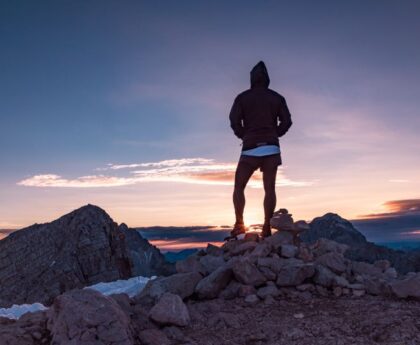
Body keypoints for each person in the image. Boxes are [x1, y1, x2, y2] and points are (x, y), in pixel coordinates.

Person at [229, 61, 293, 238]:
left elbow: (234, 121)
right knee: (270, 189)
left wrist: (245, 136)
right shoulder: (277, 98)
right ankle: (266, 227)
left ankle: (239, 225)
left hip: (250, 149)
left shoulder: (242, 98)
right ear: (267, 79)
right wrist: (274, 134)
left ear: (252, 78)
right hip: (271, 148)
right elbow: (287, 122)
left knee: (239, 187)